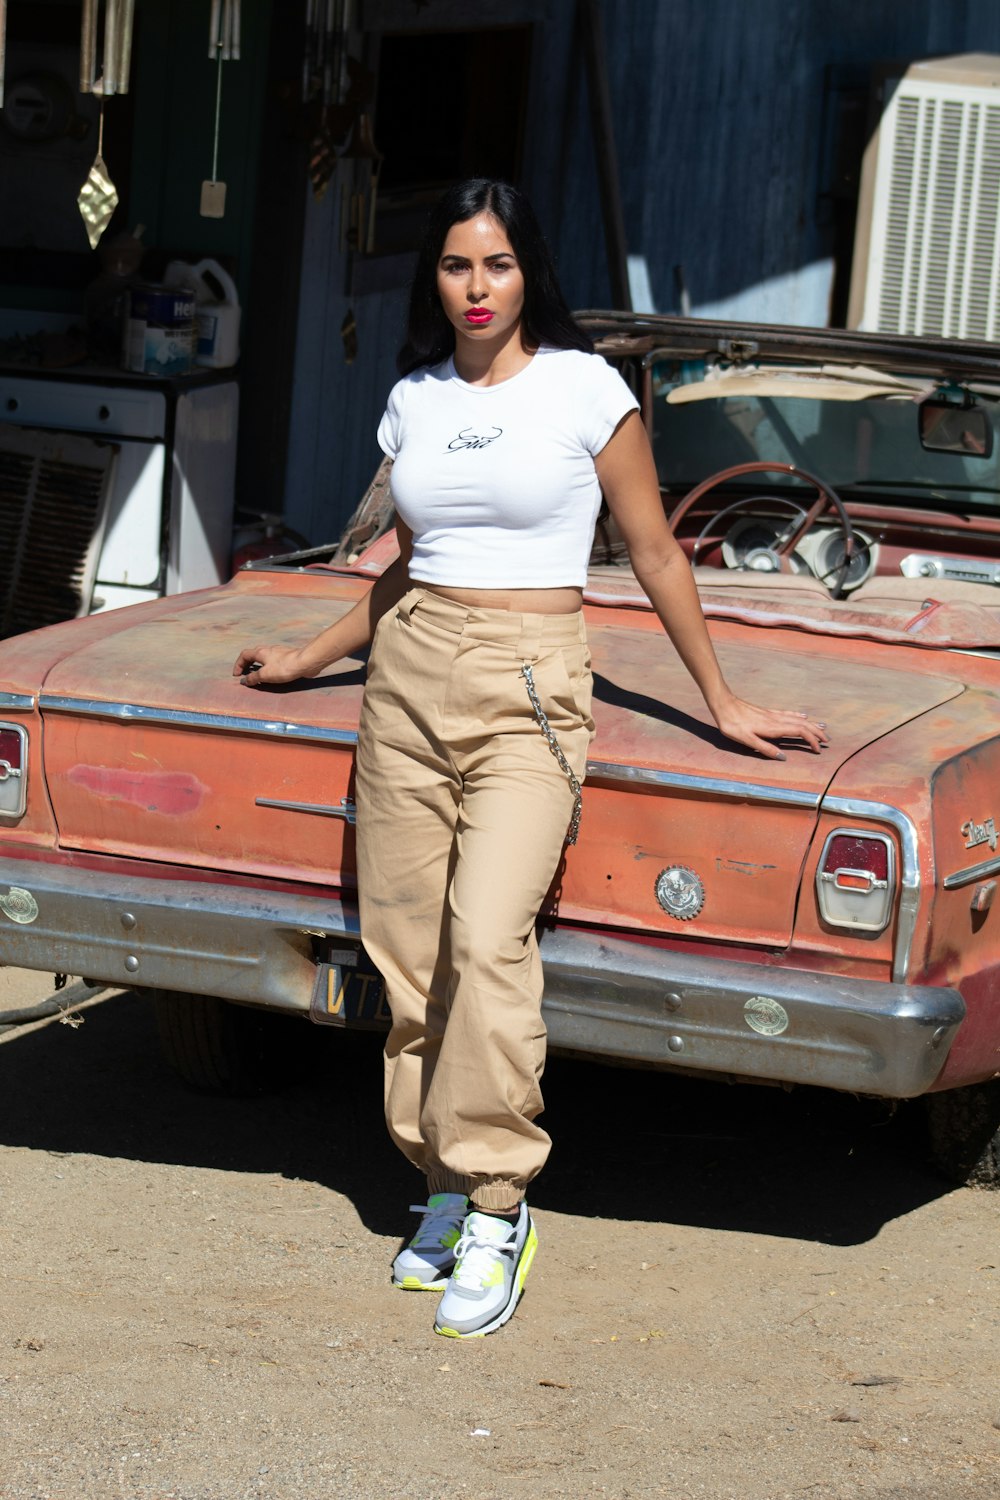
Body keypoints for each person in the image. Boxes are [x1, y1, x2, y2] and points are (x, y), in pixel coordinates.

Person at [233, 178, 827, 1340]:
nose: (475, 287)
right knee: (404, 958)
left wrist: (722, 698)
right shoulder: (411, 399)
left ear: (527, 272)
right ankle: (441, 1183)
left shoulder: (585, 389)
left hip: (528, 683)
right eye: (456, 266)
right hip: (407, 676)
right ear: (435, 280)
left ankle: (501, 1201)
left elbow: (653, 551)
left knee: (485, 935)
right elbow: (411, 555)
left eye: (496, 264)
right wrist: (313, 655)